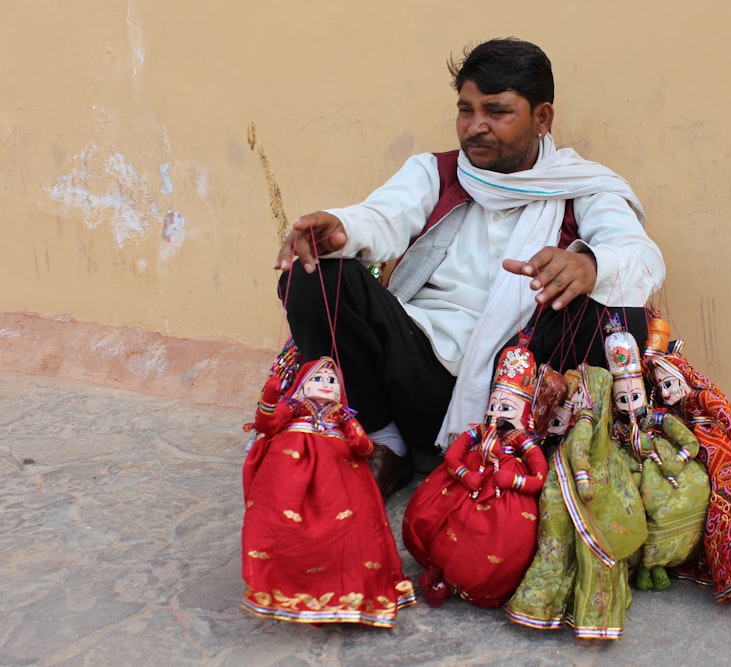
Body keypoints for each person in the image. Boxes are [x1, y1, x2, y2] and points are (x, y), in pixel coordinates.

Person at [272, 37, 665, 497]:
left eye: (496, 112)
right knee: (313, 273)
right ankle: (387, 442)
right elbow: (382, 216)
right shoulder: (433, 172)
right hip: (419, 366)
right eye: (466, 110)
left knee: (622, 315)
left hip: (517, 380)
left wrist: (591, 266)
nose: (476, 127)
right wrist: (342, 228)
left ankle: (532, 454)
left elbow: (641, 256)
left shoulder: (584, 187)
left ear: (542, 118)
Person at [241, 357, 415, 626]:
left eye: (332, 381)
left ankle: (346, 591)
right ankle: (283, 582)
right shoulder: (294, 410)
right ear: (302, 385)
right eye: (318, 379)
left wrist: (359, 440)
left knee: (350, 528)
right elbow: (267, 425)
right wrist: (270, 398)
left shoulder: (342, 417)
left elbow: (365, 449)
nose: (326, 384)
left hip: (339, 476)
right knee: (282, 522)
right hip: (290, 473)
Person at [505, 364, 647, 641]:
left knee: (558, 552)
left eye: (582, 391)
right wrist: (584, 483)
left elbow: (581, 450)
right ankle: (562, 611)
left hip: (561, 491)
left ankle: (540, 607)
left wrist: (583, 482)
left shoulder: (587, 422)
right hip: (564, 491)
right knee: (567, 552)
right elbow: (580, 453)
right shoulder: (589, 423)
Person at [401, 344, 549, 608]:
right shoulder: (479, 433)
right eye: (493, 405)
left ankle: (466, 581)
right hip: (469, 478)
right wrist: (463, 473)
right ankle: (438, 570)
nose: (496, 414)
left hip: (504, 492)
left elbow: (539, 478)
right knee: (436, 516)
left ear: (525, 414)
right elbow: (452, 457)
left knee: (499, 537)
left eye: (507, 408)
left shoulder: (521, 441)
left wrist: (514, 481)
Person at [641, 315, 731, 602]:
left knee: (729, 501)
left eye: (670, 384)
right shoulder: (673, 412)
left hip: (717, 451)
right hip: (694, 449)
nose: (666, 392)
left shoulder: (703, 399)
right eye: (662, 387)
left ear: (684, 379)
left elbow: (729, 418)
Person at [602, 317, 710, 591]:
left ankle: (662, 562)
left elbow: (689, 442)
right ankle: (639, 565)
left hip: (666, 470)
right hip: (634, 472)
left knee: (691, 490)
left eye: (635, 397)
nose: (630, 405)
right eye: (622, 400)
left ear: (646, 396)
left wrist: (678, 461)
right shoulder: (617, 429)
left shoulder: (659, 420)